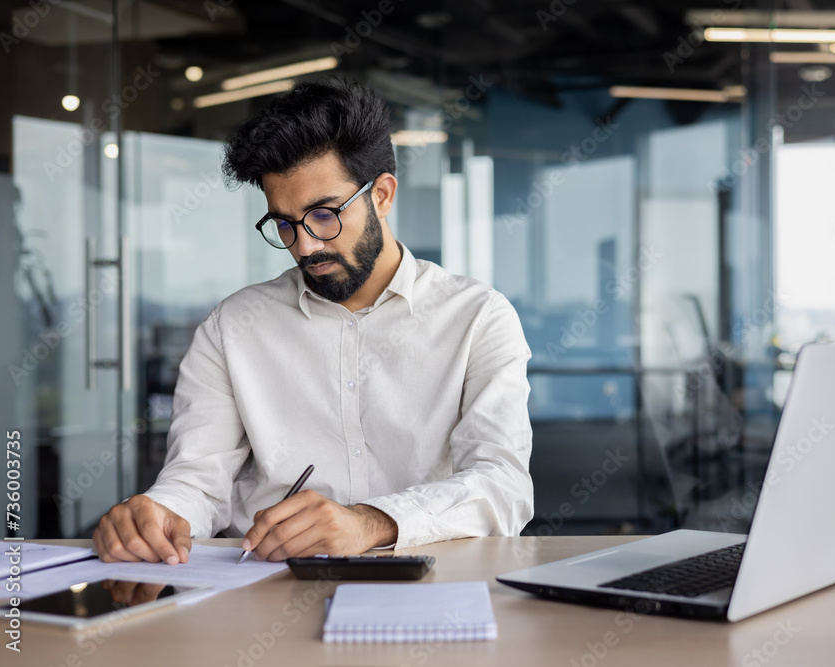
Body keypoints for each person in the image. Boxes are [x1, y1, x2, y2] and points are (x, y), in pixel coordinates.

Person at [93, 78, 533, 564]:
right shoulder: (233, 327)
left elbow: (503, 485)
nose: (305, 246)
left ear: (382, 195)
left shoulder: (477, 317)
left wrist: (371, 523)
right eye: (283, 223)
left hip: (430, 586)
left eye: (323, 215)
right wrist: (158, 513)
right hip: (263, 591)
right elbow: (197, 481)